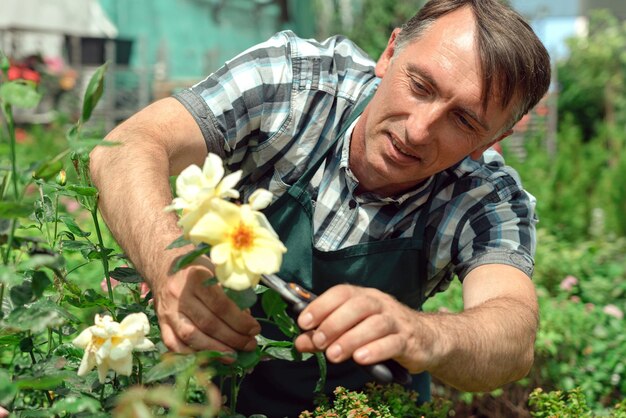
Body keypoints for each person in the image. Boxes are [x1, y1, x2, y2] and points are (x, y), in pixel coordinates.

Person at [89, 0, 551, 415]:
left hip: (361, 405)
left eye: (463, 119)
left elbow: (511, 332)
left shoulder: (486, 197)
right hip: (202, 386)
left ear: (491, 140)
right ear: (389, 54)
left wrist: (420, 334)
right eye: (420, 85)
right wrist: (167, 262)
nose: (419, 130)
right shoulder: (297, 83)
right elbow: (124, 146)